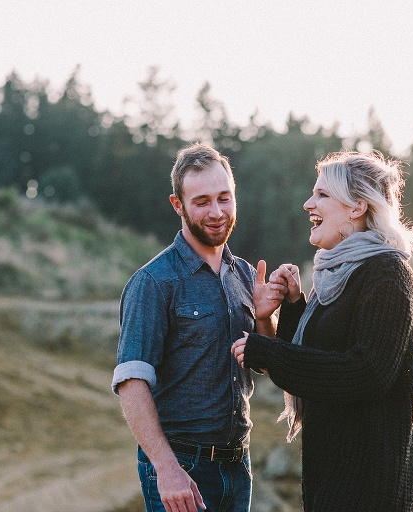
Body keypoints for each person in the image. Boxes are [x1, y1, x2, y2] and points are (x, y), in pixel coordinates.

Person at [231, 150, 413, 511]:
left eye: (322, 194)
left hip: (371, 485)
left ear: (357, 207)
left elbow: (366, 373)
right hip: (334, 475)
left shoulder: (387, 275)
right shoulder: (338, 275)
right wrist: (292, 307)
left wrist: (268, 351)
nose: (308, 204)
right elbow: (319, 360)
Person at [112, 143, 281, 512]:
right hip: (183, 469)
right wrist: (166, 468)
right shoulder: (154, 282)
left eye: (224, 198)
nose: (216, 212)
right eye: (202, 202)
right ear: (178, 205)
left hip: (238, 466)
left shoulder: (245, 275)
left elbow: (266, 364)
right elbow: (131, 382)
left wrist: (265, 317)